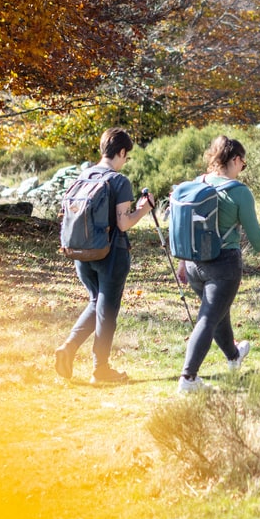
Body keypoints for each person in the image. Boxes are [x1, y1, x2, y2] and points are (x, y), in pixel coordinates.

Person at [54, 128, 155, 384]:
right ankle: (101, 370)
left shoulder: (83, 176)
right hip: (111, 254)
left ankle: (68, 349)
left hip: (81, 252)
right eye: (126, 155)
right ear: (121, 152)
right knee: (107, 310)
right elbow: (123, 223)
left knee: (96, 302)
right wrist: (143, 210)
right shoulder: (119, 181)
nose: (125, 160)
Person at [177, 135, 260, 392]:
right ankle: (188, 379)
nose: (242, 169)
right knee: (208, 318)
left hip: (193, 263)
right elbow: (254, 232)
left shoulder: (197, 183)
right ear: (235, 160)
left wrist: (182, 262)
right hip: (223, 265)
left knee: (218, 313)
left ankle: (234, 356)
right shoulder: (239, 192)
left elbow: (183, 224)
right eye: (243, 164)